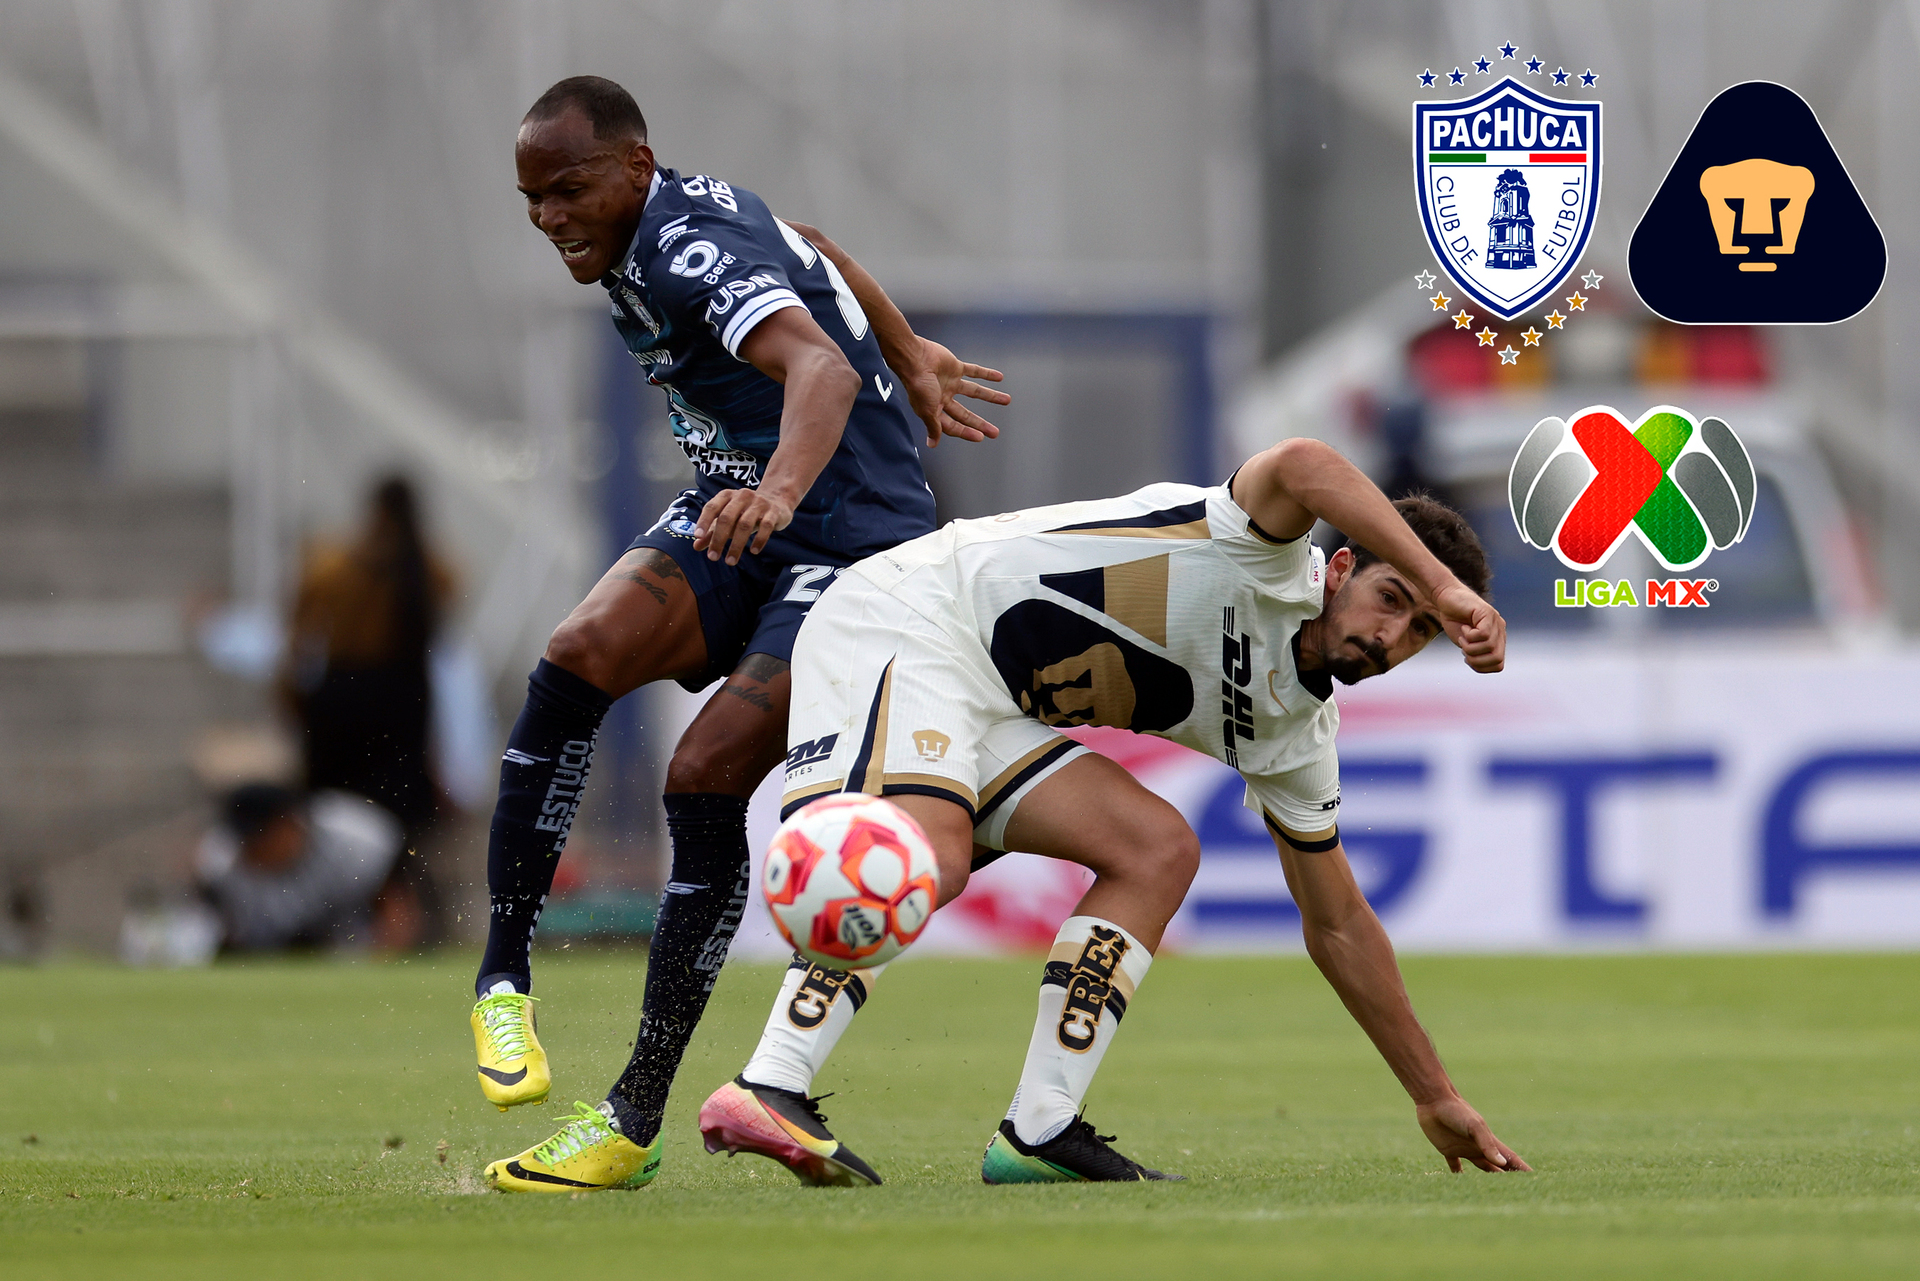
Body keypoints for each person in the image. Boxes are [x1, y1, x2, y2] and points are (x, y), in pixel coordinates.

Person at [479, 436, 1529, 1190]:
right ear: (1340, 568)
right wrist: (1445, 582)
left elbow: (1338, 922)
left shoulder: (1297, 736)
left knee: (1156, 847)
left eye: (1419, 634)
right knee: (927, 847)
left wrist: (1433, 1094)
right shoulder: (1264, 549)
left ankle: (1037, 1128)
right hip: (909, 616)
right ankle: (766, 1084)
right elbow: (1303, 462)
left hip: (986, 701)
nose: (1394, 636)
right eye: (1393, 600)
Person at [472, 75, 1008, 1170]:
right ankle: (502, 978)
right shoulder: (674, 216)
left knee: (704, 774)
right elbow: (814, 248)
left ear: (636, 166)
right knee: (576, 655)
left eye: (569, 190)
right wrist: (907, 349)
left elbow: (818, 367)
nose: (550, 217)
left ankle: (631, 1119)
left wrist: (785, 482)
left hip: (850, 538)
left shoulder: (681, 251)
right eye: (532, 199)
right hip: (741, 500)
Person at [281, 475, 454, 944]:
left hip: (345, 701)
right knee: (395, 819)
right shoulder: (429, 569)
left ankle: (374, 920)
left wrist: (294, 702)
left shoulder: (331, 564)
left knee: (334, 812)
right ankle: (395, 919)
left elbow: (297, 643)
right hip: (399, 704)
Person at [195, 783, 405, 952]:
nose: (252, 848)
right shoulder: (220, 859)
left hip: (354, 943)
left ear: (290, 822)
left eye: (261, 836)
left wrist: (384, 960)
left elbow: (396, 909)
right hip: (270, 952)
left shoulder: (352, 838)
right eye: (246, 840)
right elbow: (213, 930)